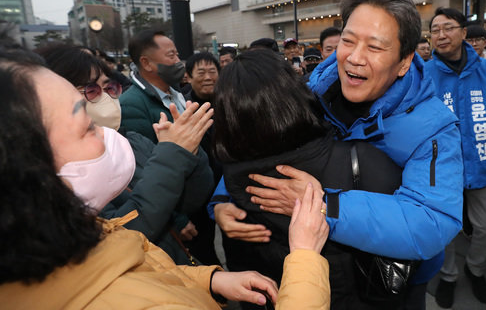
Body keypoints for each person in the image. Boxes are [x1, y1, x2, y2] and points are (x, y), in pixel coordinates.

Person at [0, 47, 330, 310]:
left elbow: (133, 265)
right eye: (85, 124)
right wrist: (305, 258)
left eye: (109, 87)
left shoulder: (82, 235)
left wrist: (208, 280)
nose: (103, 129)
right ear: (26, 171)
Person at [210, 0, 464, 310]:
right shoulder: (313, 88)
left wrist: (325, 206)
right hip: (323, 275)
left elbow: (432, 221)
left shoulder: (434, 126)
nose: (355, 59)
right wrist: (219, 201)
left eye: (375, 47)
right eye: (348, 40)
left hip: (391, 279)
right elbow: (264, 146)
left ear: (404, 61)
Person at [213, 49, 404, 309]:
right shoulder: (359, 160)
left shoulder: (232, 179)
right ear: (294, 92)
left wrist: (218, 202)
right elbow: (410, 235)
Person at [36, 44, 215, 265]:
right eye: (91, 91)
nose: (107, 99)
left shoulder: (131, 140)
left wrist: (190, 152)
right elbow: (125, 234)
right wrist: (172, 157)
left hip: (173, 268)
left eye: (110, 88)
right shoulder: (62, 171)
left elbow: (187, 200)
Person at [425, 8, 486, 308]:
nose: (441, 34)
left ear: (464, 33)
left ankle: (475, 269)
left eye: (448, 27)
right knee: (446, 229)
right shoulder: (425, 73)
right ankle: (448, 276)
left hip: (483, 163)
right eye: (435, 29)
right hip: (442, 168)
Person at [183, 51, 223, 265]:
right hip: (199, 192)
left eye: (212, 71)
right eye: (201, 72)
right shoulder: (181, 107)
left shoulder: (230, 101)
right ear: (188, 76)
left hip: (227, 187)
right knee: (203, 247)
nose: (208, 77)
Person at [120, 29, 187, 143]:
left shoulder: (175, 92)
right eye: (171, 56)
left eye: (177, 55)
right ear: (146, 63)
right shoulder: (130, 105)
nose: (178, 61)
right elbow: (145, 155)